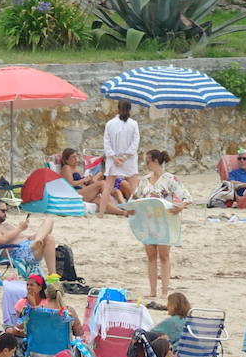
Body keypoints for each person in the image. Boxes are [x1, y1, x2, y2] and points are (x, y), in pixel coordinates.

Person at [128, 150, 190, 298]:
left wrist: (180, 206)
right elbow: (134, 198)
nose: (146, 164)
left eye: (147, 161)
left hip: (165, 222)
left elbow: (186, 197)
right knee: (150, 256)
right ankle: (153, 291)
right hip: (147, 222)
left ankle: (164, 291)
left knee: (164, 256)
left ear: (155, 161)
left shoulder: (171, 179)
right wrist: (131, 209)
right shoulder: (144, 180)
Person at [0, 199, 58, 276]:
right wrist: (20, 228)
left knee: (49, 221)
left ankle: (53, 275)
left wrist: (35, 237)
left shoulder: (6, 225)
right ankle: (52, 275)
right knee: (49, 238)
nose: (5, 214)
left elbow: (25, 237)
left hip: (30, 246)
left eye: (6, 211)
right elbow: (2, 240)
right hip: (16, 253)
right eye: (3, 211)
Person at [59, 148, 125, 216]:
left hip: (82, 191)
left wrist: (88, 181)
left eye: (76, 156)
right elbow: (70, 183)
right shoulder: (66, 168)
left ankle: (123, 212)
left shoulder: (75, 169)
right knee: (102, 183)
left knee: (100, 200)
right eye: (73, 157)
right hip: (74, 193)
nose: (76, 159)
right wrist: (83, 180)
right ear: (66, 159)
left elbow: (81, 182)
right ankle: (113, 202)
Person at [102, 100, 140, 198]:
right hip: (129, 160)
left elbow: (106, 142)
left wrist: (114, 157)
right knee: (134, 188)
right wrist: (125, 157)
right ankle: (135, 210)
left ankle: (101, 213)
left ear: (118, 109)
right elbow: (135, 143)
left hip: (113, 161)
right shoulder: (133, 124)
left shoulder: (110, 124)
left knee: (108, 188)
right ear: (130, 109)